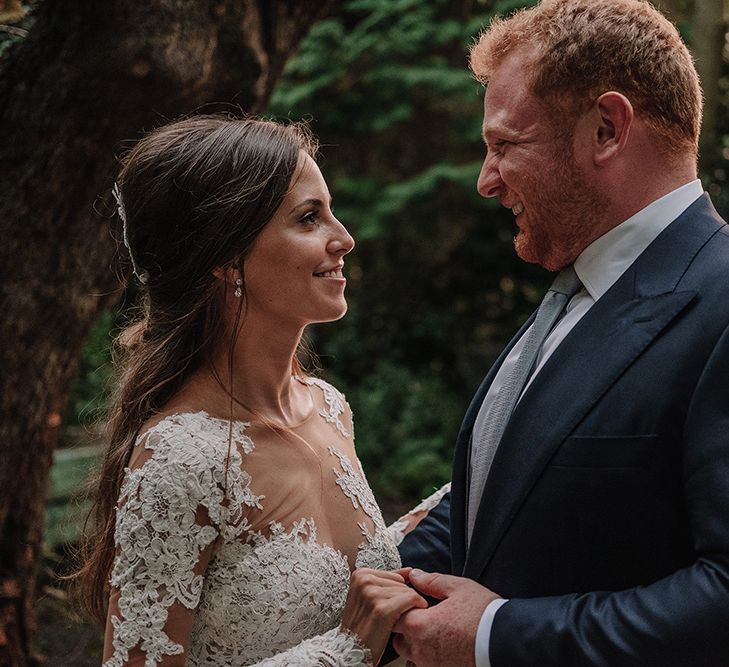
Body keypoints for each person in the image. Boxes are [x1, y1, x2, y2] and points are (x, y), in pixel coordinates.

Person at [392, 0, 729, 665]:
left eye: (504, 144)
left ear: (606, 128)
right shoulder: (572, 289)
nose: (485, 181)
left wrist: (495, 636)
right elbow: (500, 502)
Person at [74, 115, 448, 666]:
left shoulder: (327, 407)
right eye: (308, 218)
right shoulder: (181, 457)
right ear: (226, 257)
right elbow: (345, 627)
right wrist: (345, 650)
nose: (344, 238)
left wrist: (457, 500)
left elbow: (327, 586)